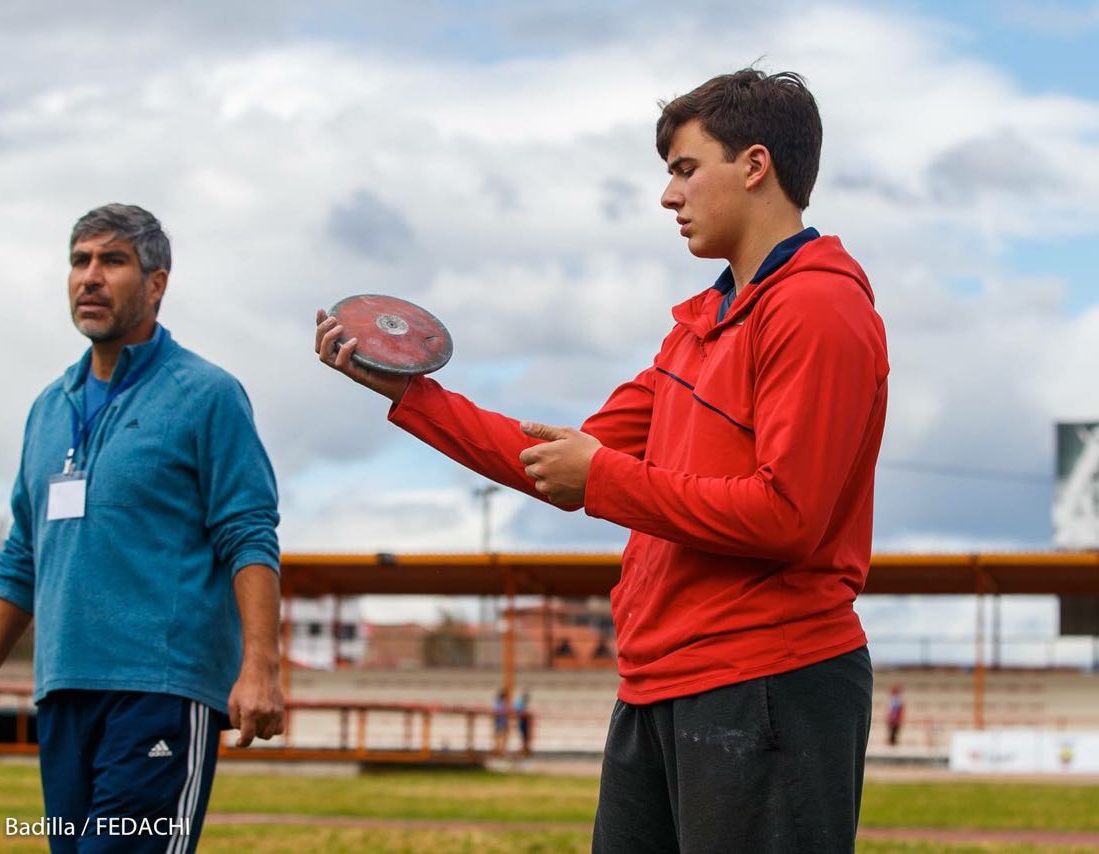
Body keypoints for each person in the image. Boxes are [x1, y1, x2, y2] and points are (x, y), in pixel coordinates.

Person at [315, 68, 887, 852]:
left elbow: (789, 518)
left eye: (685, 170)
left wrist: (605, 479)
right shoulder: (695, 331)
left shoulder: (819, 308)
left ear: (755, 166)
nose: (668, 196)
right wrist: (408, 392)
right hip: (656, 683)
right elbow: (556, 462)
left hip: (768, 681)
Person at [0, 203, 284, 853]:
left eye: (112, 260)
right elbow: (22, 554)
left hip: (160, 689)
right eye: (79, 261)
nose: (89, 277)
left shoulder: (207, 394)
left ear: (157, 283)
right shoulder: (49, 408)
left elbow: (249, 534)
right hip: (64, 691)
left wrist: (260, 665)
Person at [514, 690, 532, 757]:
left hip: (524, 722)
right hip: (522, 722)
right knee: (523, 737)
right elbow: (518, 711)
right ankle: (523, 751)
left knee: (525, 737)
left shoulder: (523, 703)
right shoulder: (520, 703)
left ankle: (525, 750)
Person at [493, 688, 510, 754]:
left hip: (500, 722)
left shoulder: (499, 703)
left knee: (499, 736)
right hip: (501, 722)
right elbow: (500, 712)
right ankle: (500, 750)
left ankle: (499, 749)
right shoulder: (501, 703)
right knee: (501, 736)